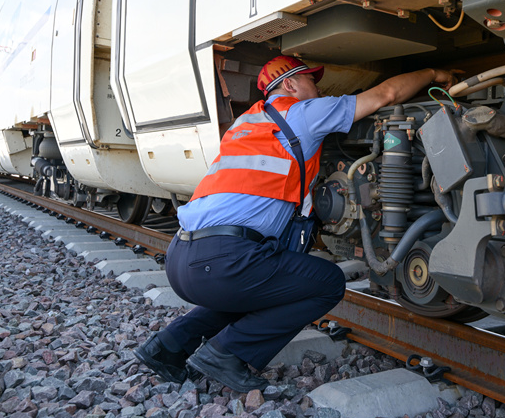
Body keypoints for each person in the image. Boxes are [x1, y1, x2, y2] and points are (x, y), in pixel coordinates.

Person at [135, 55, 456, 391]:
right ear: (290, 84)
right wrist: (434, 73)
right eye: (310, 81)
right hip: (222, 261)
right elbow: (385, 95)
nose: (317, 88)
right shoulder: (302, 113)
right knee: (328, 282)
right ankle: (225, 354)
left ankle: (166, 347)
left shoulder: (246, 123)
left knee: (259, 288)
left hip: (182, 258)